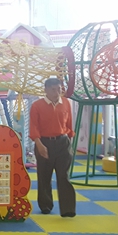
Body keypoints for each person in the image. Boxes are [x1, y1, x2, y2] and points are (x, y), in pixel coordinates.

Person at [29, 77, 76, 217]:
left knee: (63, 176)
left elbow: (69, 124)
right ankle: (45, 205)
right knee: (44, 176)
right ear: (46, 90)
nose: (57, 93)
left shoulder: (66, 103)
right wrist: (39, 145)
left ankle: (68, 209)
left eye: (59, 89)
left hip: (63, 143)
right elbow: (34, 127)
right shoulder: (37, 106)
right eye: (53, 90)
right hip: (44, 142)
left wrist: (69, 143)